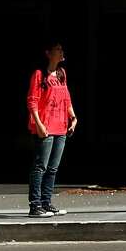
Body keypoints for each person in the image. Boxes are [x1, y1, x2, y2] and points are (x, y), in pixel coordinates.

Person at [26, 42, 78, 218]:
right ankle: (35, 205)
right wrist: (39, 125)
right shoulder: (39, 74)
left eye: (62, 49)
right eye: (58, 49)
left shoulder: (62, 74)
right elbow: (32, 101)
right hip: (45, 127)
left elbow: (66, 98)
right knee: (40, 166)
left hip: (61, 127)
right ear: (48, 53)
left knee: (53, 168)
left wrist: (73, 117)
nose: (61, 52)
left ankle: (46, 203)